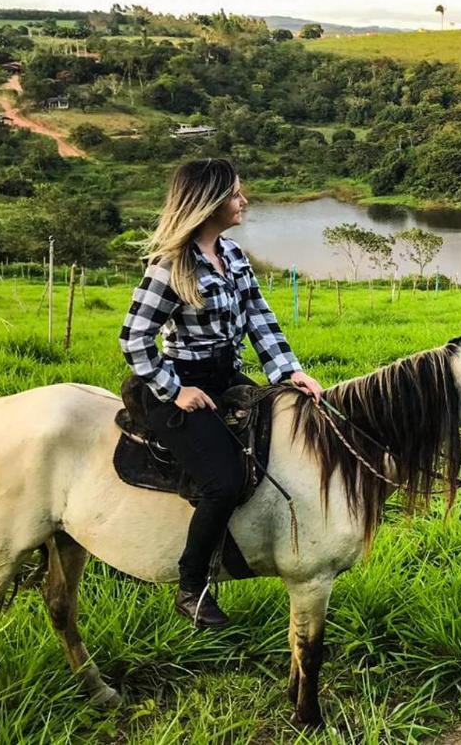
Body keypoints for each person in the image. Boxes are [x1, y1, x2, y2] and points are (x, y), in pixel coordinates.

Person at [119, 158, 323, 627]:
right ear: (208, 204)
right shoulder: (171, 267)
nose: (244, 201)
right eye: (235, 195)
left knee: (285, 436)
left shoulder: (232, 257)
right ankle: (192, 585)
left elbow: (259, 319)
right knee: (223, 481)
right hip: (181, 383)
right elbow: (133, 338)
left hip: (226, 376)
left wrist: (289, 373)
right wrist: (175, 390)